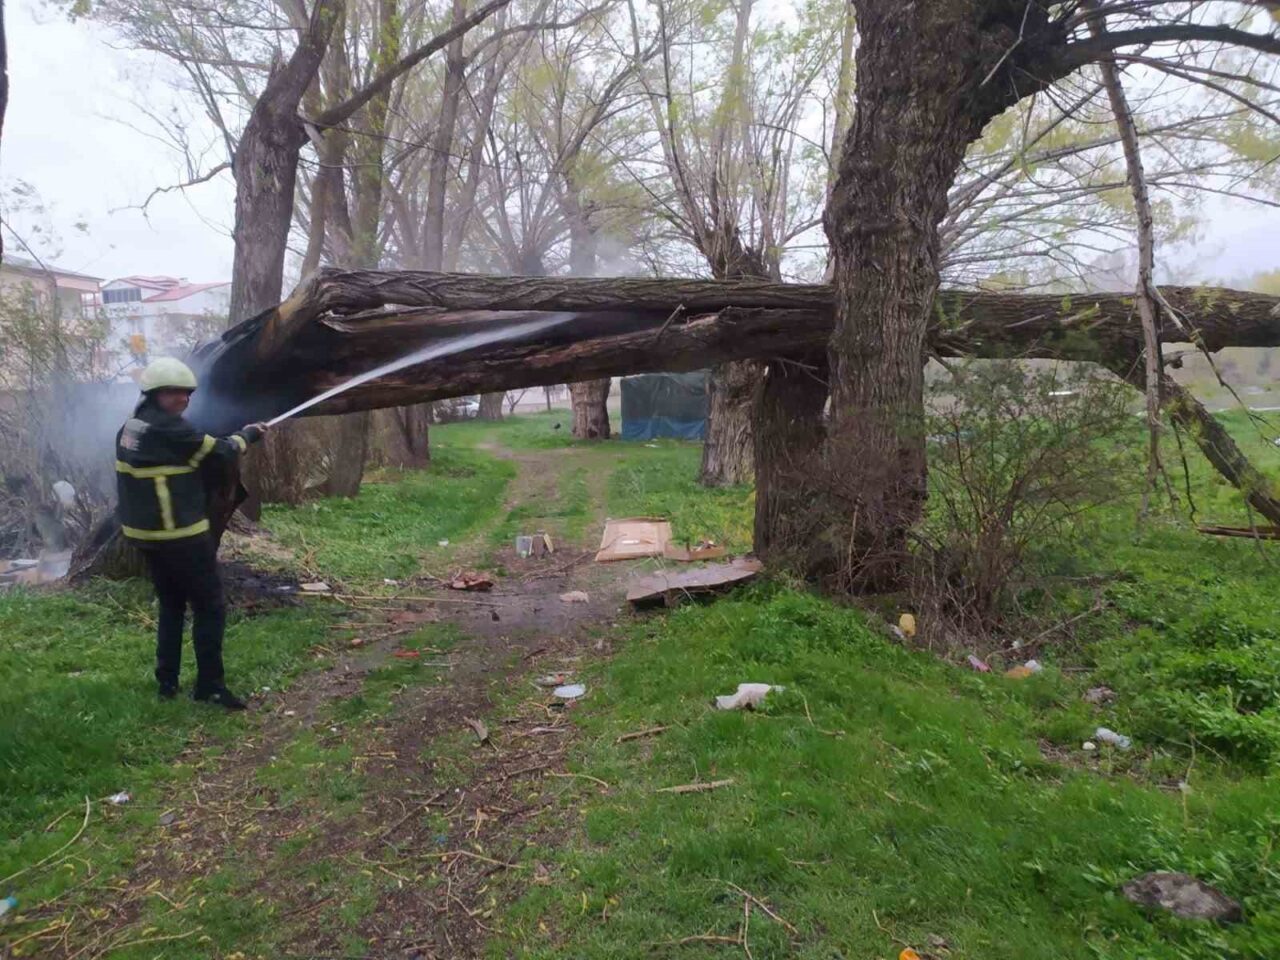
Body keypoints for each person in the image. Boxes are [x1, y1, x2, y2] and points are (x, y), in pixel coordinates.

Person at [116, 357, 269, 709]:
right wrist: (249, 434)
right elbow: (222, 453)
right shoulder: (170, 430)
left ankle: (167, 682)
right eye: (173, 393)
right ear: (153, 394)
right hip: (180, 536)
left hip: (146, 535)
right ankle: (210, 687)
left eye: (187, 393)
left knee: (171, 604)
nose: (182, 399)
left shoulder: (131, 427)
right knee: (209, 605)